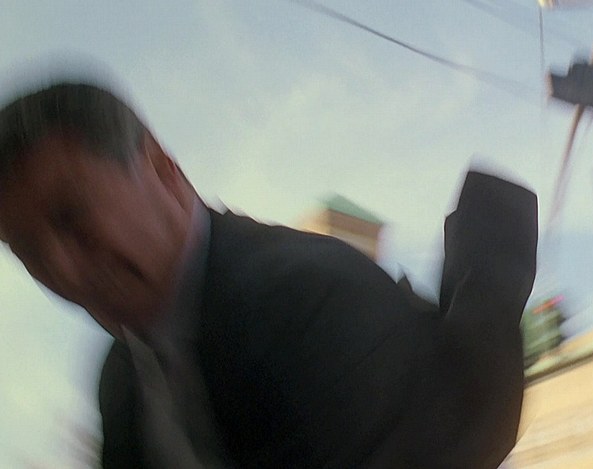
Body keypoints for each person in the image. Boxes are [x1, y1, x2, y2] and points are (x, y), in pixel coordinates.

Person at [0, 79, 538, 468]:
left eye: (71, 217)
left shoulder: (305, 303)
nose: (59, 269)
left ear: (163, 170)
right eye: (27, 251)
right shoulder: (121, 381)